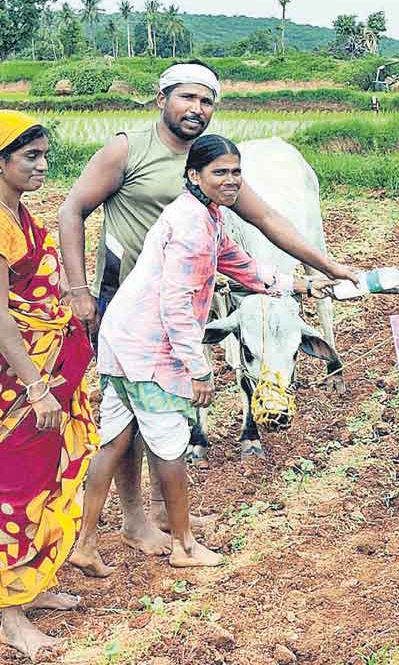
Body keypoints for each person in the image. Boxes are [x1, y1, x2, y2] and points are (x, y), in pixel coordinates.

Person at [57, 60, 359, 562]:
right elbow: (71, 211)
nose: (197, 109)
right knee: (148, 422)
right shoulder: (129, 150)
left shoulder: (210, 183)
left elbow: (260, 228)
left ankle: (160, 513)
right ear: (162, 100)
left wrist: (323, 269)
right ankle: (145, 523)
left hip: (168, 313)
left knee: (145, 418)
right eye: (187, 98)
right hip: (133, 307)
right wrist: (78, 289)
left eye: (207, 101)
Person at [0, 112, 97, 660]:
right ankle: (8, 617)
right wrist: (36, 387)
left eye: (43, 155)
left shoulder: (18, 212)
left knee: (41, 477)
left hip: (49, 370)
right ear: (1, 162)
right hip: (18, 382)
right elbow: (2, 318)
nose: (41, 166)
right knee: (11, 487)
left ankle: (28, 587)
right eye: (29, 157)